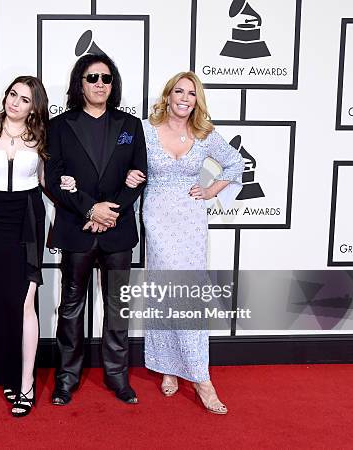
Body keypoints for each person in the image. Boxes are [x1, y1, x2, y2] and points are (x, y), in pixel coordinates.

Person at [125, 71, 243, 415]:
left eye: (191, 93)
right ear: (168, 95)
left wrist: (210, 190)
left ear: (197, 100)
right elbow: (124, 166)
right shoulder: (145, 131)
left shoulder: (205, 135)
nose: (184, 98)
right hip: (158, 217)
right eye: (179, 91)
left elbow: (235, 164)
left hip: (191, 220)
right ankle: (167, 366)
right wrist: (130, 175)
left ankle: (201, 378)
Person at [44, 53, 148, 406]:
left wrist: (110, 213)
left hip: (117, 232)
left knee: (117, 305)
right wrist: (90, 208)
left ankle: (118, 376)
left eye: (106, 78)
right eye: (92, 78)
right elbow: (54, 180)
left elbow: (138, 175)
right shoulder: (60, 126)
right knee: (71, 306)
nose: (100, 84)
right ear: (80, 83)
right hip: (77, 227)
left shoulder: (130, 126)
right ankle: (67, 378)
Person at [0, 76, 63, 417]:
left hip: (26, 218)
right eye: (13, 94)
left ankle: (26, 384)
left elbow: (47, 182)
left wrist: (80, 206)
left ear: (34, 106)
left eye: (24, 99)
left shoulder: (42, 136)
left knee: (26, 301)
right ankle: (9, 374)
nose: (15, 102)